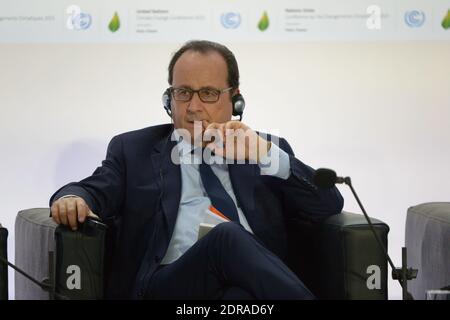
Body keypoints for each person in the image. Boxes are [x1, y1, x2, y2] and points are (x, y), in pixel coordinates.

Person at [50, 40, 344, 300]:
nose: (193, 106)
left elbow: (327, 204)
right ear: (169, 99)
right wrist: (73, 197)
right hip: (165, 283)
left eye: (208, 93)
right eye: (183, 92)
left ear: (235, 99)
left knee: (238, 296)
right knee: (226, 236)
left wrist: (265, 154)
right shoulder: (134, 149)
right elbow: (93, 189)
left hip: (249, 285)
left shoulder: (263, 149)